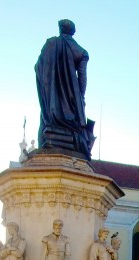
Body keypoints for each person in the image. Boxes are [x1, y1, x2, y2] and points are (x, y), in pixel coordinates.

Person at [34, 19, 95, 160]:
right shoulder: (82, 53)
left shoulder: (49, 45)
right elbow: (82, 79)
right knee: (75, 131)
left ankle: (53, 135)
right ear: (73, 32)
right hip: (72, 97)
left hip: (51, 100)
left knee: (49, 124)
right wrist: (80, 99)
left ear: (60, 29)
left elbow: (38, 68)